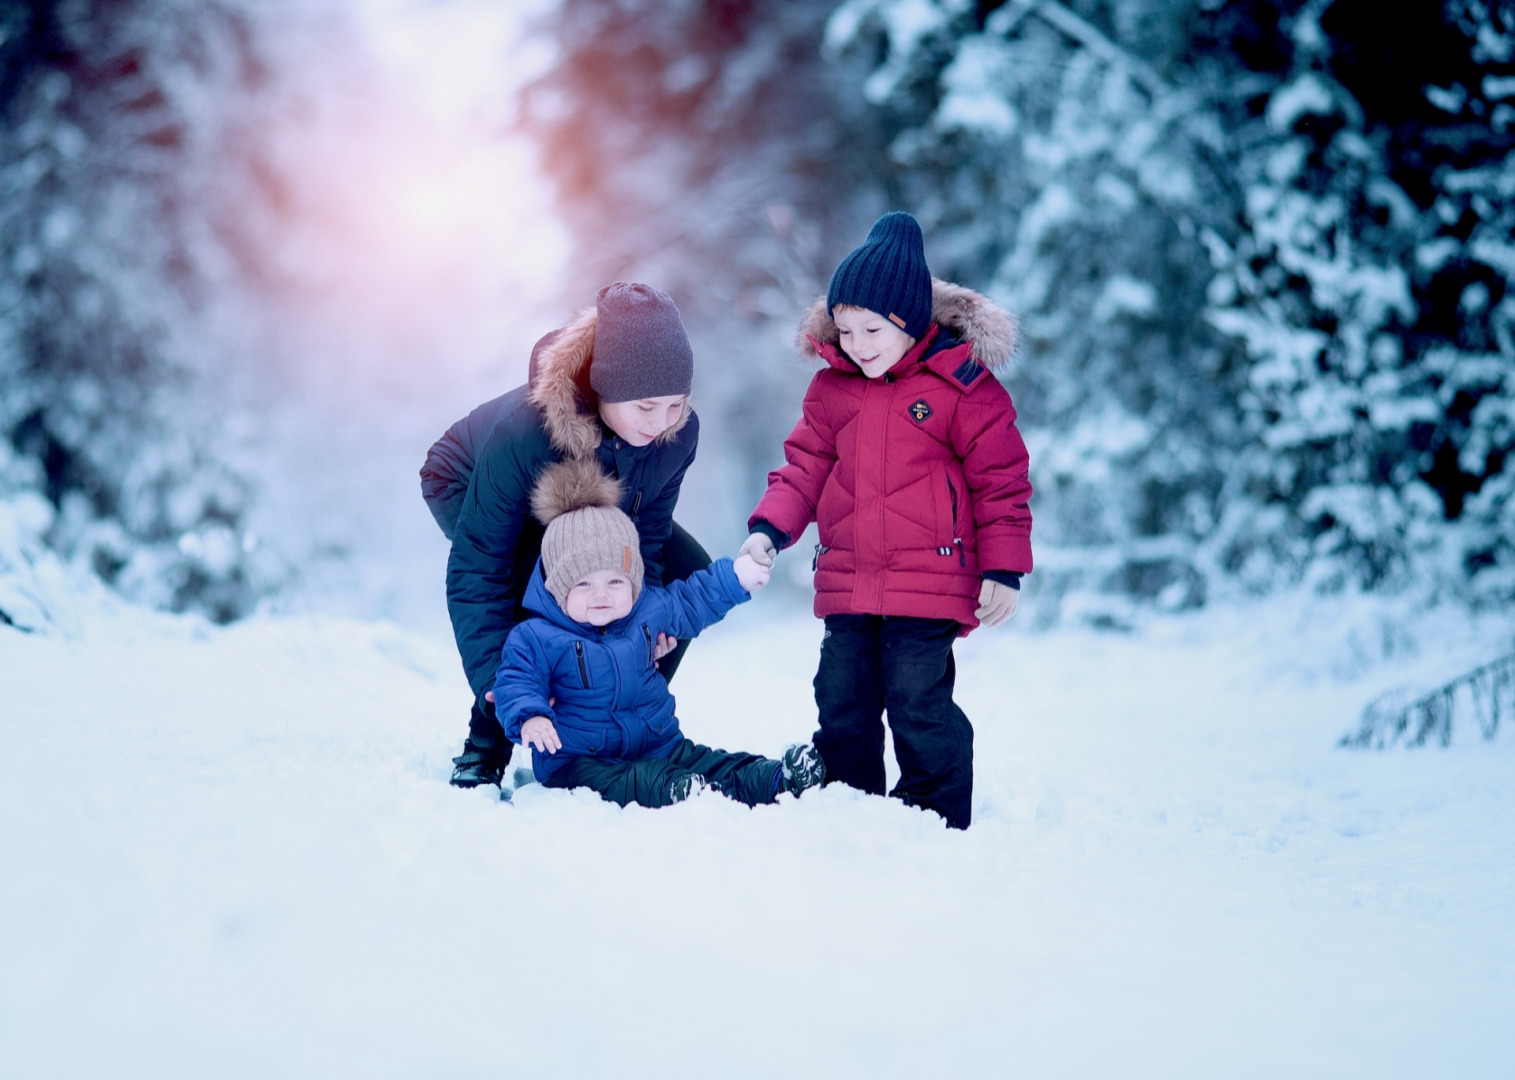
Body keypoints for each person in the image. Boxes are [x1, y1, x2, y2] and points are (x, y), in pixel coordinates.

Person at [739, 211, 1033, 830]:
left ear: (908, 322)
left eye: (872, 329)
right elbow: (802, 468)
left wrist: (1003, 568)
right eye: (845, 331)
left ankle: (934, 811)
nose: (857, 345)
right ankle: (850, 802)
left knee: (917, 702)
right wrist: (769, 530)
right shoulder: (831, 391)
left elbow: (1000, 480)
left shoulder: (961, 388)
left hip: (931, 584)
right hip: (849, 581)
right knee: (840, 696)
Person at [420, 282, 710, 788]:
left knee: (685, 572)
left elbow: (647, 536)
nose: (661, 421)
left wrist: (647, 623)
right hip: (466, 480)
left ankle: (617, 721)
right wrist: (496, 682)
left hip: (597, 487)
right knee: (553, 579)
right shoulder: (526, 432)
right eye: (645, 407)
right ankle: (485, 746)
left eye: (675, 405)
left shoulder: (675, 434)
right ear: (605, 388)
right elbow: (478, 569)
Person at [493, 458, 826, 808]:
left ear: (633, 581)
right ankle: (675, 789)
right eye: (584, 584)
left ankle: (775, 779)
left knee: (707, 763)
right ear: (560, 588)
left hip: (657, 744)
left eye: (615, 581)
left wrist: (736, 578)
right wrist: (530, 716)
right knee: (634, 781)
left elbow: (693, 599)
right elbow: (515, 680)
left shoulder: (647, 609)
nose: (601, 594)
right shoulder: (537, 636)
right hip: (577, 764)